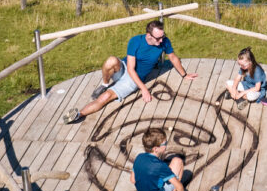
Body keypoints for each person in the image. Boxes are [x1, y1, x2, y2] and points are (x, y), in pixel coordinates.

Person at [62, 19, 197, 124]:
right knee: (111, 60)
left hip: (133, 79)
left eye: (163, 36)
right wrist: (144, 89)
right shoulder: (136, 41)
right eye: (158, 38)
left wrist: (184, 75)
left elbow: (172, 58)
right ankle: (104, 84)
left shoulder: (164, 42)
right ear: (148, 35)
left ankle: (79, 114)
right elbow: (130, 68)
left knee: (105, 97)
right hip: (126, 69)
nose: (161, 40)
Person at [132, 126, 187, 191]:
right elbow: (179, 186)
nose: (166, 146)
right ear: (155, 149)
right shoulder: (160, 166)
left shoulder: (139, 157)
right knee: (178, 161)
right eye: (164, 144)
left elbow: (133, 180)